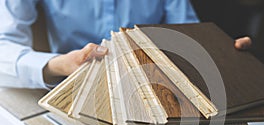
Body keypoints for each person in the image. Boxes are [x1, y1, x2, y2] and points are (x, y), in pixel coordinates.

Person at [0, 0, 251, 89]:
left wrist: (217, 52)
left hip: (155, 87)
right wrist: (58, 65)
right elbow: (3, 46)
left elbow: (186, 34)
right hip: (72, 87)